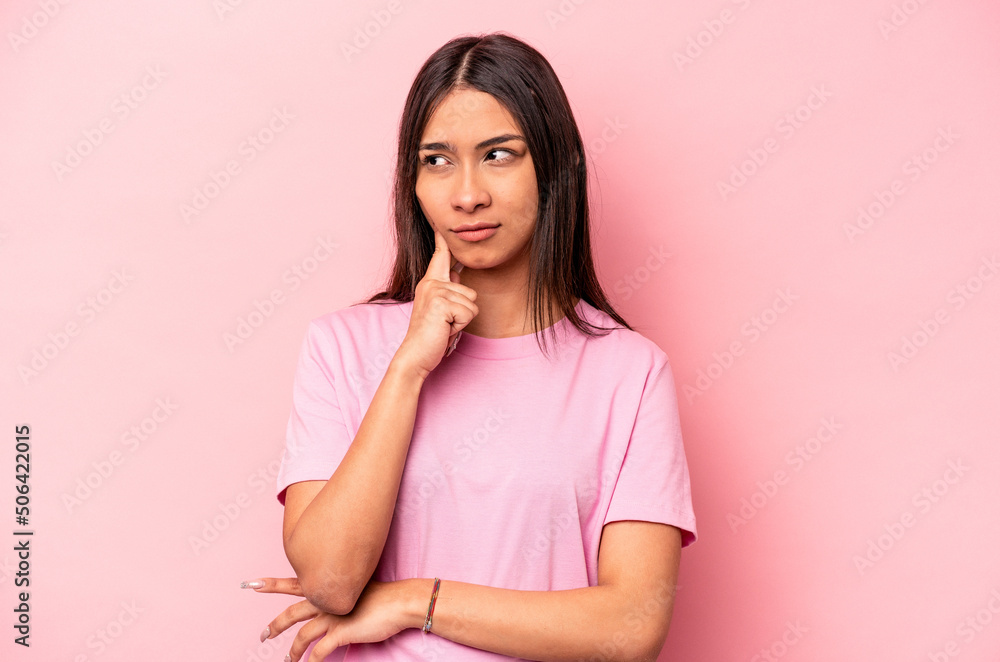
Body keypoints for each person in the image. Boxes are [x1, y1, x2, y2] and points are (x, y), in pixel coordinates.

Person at [240, 31, 697, 662]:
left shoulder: (631, 372)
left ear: (554, 166)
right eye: (437, 160)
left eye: (499, 155)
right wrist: (407, 367)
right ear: (412, 180)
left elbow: (632, 627)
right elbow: (330, 581)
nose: (467, 194)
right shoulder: (340, 346)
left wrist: (413, 602)